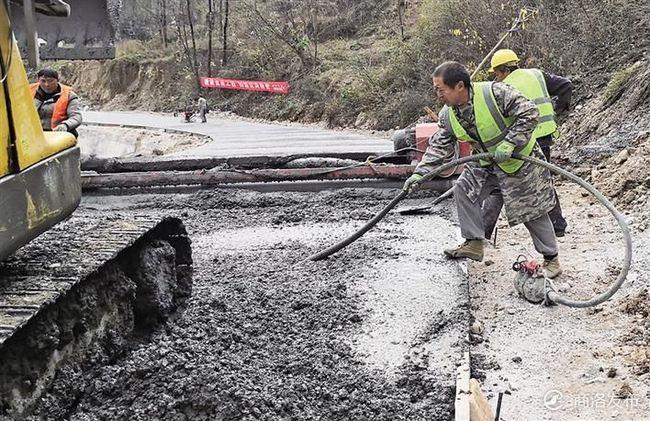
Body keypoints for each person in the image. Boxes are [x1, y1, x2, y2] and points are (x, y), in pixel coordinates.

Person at [403, 61, 562, 278]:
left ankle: (551, 259)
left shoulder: (496, 93)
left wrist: (511, 142)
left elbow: (529, 113)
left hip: (518, 161)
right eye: (435, 89)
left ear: (460, 86)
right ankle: (474, 242)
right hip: (485, 163)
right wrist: (420, 173)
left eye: (441, 89)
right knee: (464, 190)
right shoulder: (449, 114)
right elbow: (439, 145)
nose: (437, 94)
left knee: (531, 211)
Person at [482, 49, 572, 238]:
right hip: (545, 135)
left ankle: (483, 232)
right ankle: (557, 224)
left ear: (504, 70)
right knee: (544, 178)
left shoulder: (504, 86)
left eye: (497, 73)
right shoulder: (537, 74)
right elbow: (565, 85)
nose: (496, 78)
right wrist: (558, 110)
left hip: (523, 138)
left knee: (502, 183)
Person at [31, 67, 82, 137]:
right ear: (38, 80)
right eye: (43, 81)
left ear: (57, 80)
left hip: (59, 135)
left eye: (50, 81)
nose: (47, 84)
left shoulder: (69, 95)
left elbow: (76, 117)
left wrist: (65, 125)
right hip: (33, 135)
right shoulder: (28, 90)